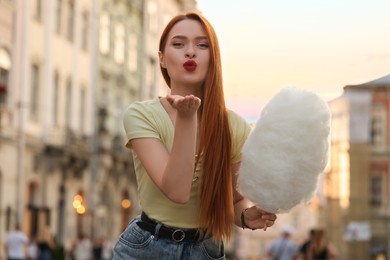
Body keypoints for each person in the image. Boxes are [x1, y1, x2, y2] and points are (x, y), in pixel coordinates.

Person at [113, 11, 277, 259]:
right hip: (145, 248)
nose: (190, 52)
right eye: (178, 44)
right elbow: (177, 191)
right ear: (162, 60)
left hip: (205, 250)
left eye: (202, 45)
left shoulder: (235, 126)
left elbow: (233, 201)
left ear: (213, 58)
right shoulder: (140, 114)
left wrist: (245, 216)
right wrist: (187, 119)